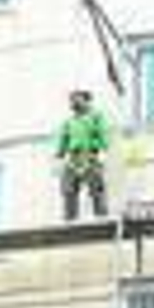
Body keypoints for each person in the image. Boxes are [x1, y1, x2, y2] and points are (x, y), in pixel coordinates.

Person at [56, 89, 110, 221]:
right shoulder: (69, 122)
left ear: (86, 100)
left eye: (77, 98)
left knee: (96, 187)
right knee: (68, 188)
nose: (73, 102)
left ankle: (101, 216)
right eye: (72, 100)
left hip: (90, 155)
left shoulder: (95, 117)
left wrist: (101, 148)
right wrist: (60, 152)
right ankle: (69, 218)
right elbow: (63, 139)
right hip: (73, 157)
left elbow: (103, 135)